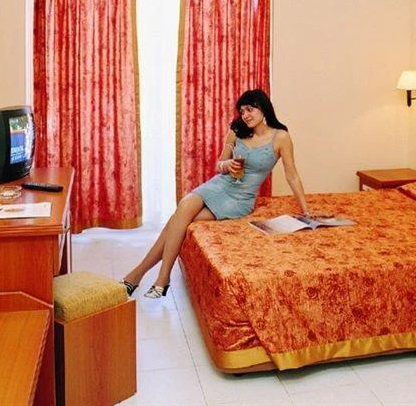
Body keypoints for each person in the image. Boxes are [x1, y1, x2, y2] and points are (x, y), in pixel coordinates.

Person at [121, 89, 308, 298]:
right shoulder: (236, 130)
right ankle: (161, 279)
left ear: (263, 108)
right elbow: (220, 164)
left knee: (178, 220)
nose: (245, 115)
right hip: (219, 184)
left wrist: (305, 210)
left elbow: (292, 175)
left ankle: (141, 276)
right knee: (185, 206)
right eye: (242, 111)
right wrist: (226, 165)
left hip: (239, 199)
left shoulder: (280, 137)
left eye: (250, 109)